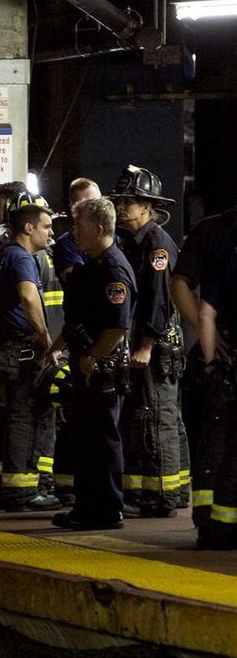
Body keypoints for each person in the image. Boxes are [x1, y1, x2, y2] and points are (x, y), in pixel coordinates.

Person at [47, 197, 135, 530]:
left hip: (102, 369)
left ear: (98, 228)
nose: (73, 231)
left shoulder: (114, 269)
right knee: (86, 438)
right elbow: (78, 317)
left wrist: (92, 358)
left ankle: (108, 508)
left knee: (103, 438)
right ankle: (87, 506)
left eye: (79, 224)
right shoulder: (93, 265)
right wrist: (60, 347)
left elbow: (117, 326)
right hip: (87, 363)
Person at [109, 165, 187, 517]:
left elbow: (158, 299)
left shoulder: (157, 244)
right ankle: (151, 492)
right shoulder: (130, 242)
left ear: (148, 206)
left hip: (156, 344)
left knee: (159, 418)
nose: (123, 206)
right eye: (121, 200)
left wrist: (145, 345)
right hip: (143, 340)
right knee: (145, 418)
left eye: (131, 201)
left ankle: (165, 496)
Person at [0, 192, 61, 512]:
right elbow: (29, 297)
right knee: (23, 418)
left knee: (1, 418)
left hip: (2, 348)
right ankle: (22, 492)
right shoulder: (23, 258)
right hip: (20, 350)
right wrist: (45, 340)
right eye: (46, 226)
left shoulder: (1, 254)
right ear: (28, 228)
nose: (51, 232)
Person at [170, 204, 236, 516]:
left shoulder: (208, 231)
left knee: (213, 433)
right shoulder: (212, 232)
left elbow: (180, 284)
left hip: (215, 348)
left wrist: (203, 332)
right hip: (219, 345)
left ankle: (210, 521)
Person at [50, 178, 102, 505]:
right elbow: (85, 290)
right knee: (78, 417)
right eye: (85, 205)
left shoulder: (110, 246)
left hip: (97, 340)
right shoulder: (70, 244)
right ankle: (73, 489)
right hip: (82, 339)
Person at [193, 208, 237, 549]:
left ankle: (219, 527)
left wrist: (211, 366)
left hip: (228, 364)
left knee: (225, 447)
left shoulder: (226, 264)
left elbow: (206, 314)